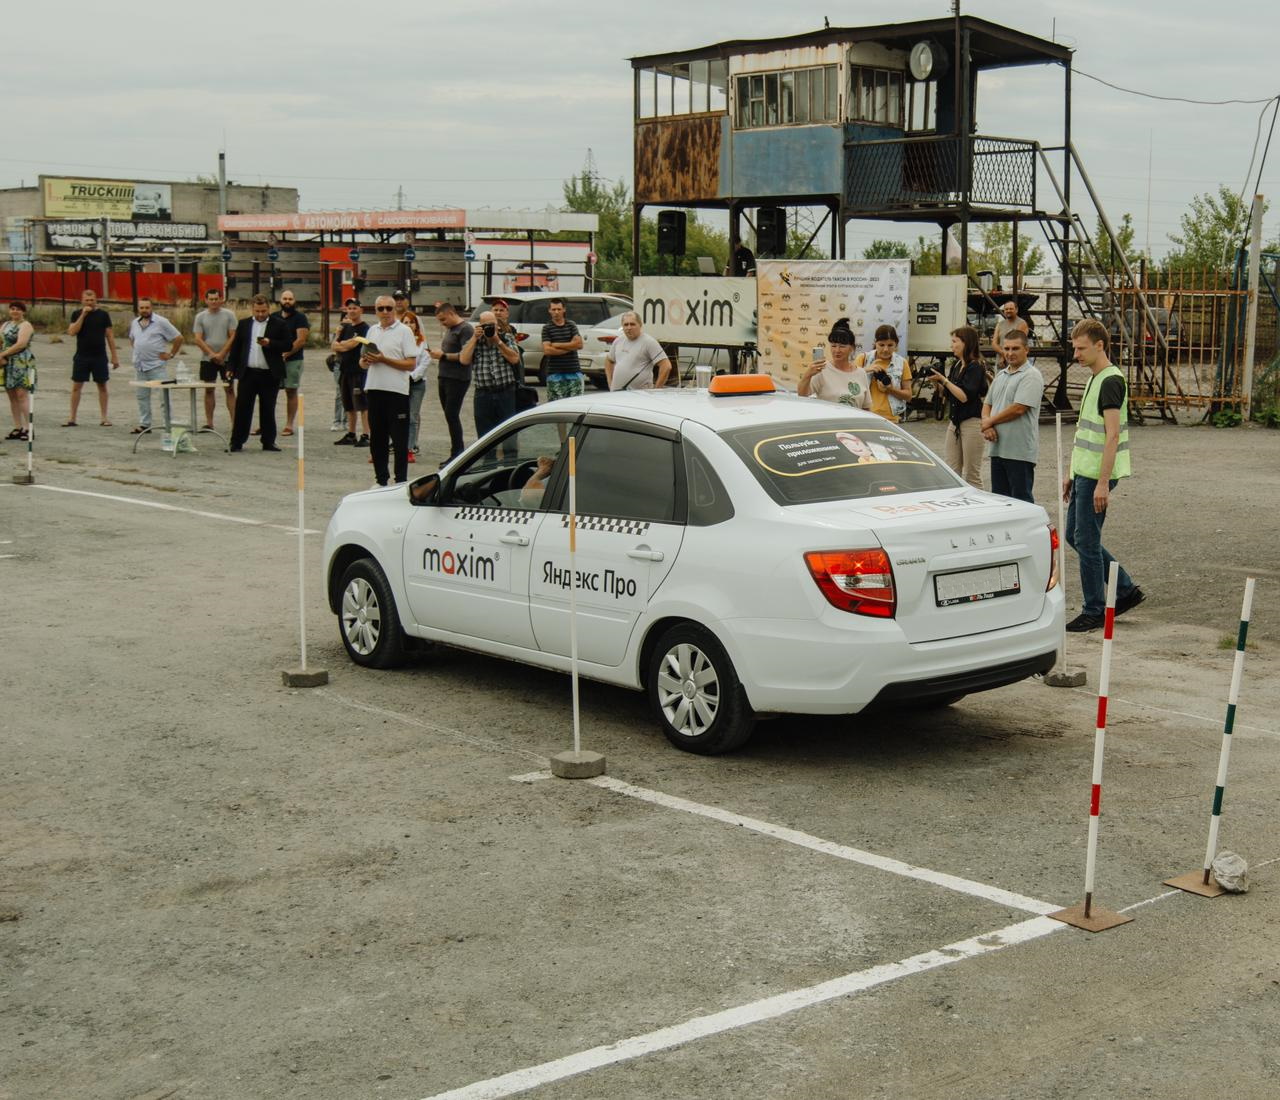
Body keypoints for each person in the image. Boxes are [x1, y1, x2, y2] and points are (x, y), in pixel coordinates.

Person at [1063, 319, 1144, 632]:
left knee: (1087, 539)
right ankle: (1123, 588)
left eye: (1081, 348)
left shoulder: (1110, 380)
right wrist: (1072, 472)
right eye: (1075, 348)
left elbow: (1111, 436)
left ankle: (1095, 608)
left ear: (1100, 345)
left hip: (1098, 474)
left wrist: (1101, 484)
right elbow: (1087, 433)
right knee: (1077, 536)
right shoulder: (1095, 379)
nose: (1076, 354)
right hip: (1085, 471)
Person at [981, 330, 1044, 503]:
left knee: (1021, 501)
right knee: (1000, 501)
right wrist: (987, 425)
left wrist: (988, 422)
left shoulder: (1031, 376)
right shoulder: (1001, 375)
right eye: (1006, 348)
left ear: (1026, 350)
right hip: (998, 450)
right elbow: (987, 403)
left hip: (1019, 452)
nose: (1010, 353)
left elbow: (1018, 408)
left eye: (1015, 348)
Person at [362, 295, 419, 486]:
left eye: (388, 308)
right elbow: (364, 360)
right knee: (377, 438)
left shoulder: (404, 331)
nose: (385, 312)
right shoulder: (372, 330)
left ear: (395, 309)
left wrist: (383, 359)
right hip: (375, 388)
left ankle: (401, 480)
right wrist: (364, 361)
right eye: (381, 309)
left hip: (396, 391)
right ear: (375, 310)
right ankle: (381, 479)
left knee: (399, 439)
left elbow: (411, 364)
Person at [226, 294, 292, 451]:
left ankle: (268, 441)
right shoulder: (244, 324)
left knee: (268, 408)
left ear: (269, 308)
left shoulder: (279, 324)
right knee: (242, 408)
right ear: (252, 309)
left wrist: (271, 343)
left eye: (263, 311)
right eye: (257, 311)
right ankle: (237, 442)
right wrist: (230, 368)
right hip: (248, 373)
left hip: (269, 374)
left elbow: (288, 345)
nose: (261, 314)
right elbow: (236, 348)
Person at [927, 326, 986, 489]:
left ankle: (979, 509)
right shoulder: (956, 365)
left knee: (972, 474)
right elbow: (948, 394)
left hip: (972, 422)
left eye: (954, 342)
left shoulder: (975, 366)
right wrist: (937, 382)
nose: (951, 345)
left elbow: (964, 396)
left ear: (966, 343)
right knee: (952, 471)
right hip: (955, 423)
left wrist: (944, 380)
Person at [462, 308, 522, 440]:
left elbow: (515, 359)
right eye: (486, 325)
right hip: (483, 393)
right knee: (484, 434)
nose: (490, 328)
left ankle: (509, 459)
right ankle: (488, 459)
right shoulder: (476, 341)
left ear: (497, 325)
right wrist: (474, 338)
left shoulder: (506, 337)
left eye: (492, 325)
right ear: (480, 326)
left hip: (505, 391)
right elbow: (464, 360)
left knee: (509, 432)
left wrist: (498, 341)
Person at [64, 288, 119, 427]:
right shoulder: (77, 314)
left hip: (99, 356)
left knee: (102, 385)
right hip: (82, 356)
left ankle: (104, 417)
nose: (89, 302)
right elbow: (71, 332)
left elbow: (110, 336)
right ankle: (72, 417)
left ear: (96, 300)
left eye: (92, 300)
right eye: (87, 300)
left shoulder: (103, 315)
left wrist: (114, 356)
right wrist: (83, 315)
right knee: (77, 386)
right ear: (82, 301)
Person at [127, 299, 183, 434]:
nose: (144, 310)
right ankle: (144, 424)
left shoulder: (161, 322)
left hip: (156, 366)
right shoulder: (134, 323)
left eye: (147, 307)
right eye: (142, 308)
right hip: (140, 366)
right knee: (142, 397)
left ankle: (168, 424)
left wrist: (171, 354)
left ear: (151, 308)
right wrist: (138, 351)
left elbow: (178, 337)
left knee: (163, 397)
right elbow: (132, 339)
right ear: (138, 309)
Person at [427, 301, 474, 458]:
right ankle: (456, 450)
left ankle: (457, 452)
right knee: (449, 415)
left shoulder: (465, 329)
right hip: (444, 376)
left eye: (443, 320)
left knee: (452, 414)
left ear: (452, 313)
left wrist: (444, 355)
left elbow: (466, 355)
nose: (442, 324)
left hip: (458, 377)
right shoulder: (451, 329)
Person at [797, 318, 871, 408]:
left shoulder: (861, 373)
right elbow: (802, 394)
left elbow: (866, 407)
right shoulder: (821, 370)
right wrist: (808, 375)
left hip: (854, 422)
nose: (837, 350)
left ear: (852, 348)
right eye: (833, 346)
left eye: (842, 346)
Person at [192, 287, 237, 429]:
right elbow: (198, 339)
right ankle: (210, 423)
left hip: (227, 358)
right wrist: (211, 354)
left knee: (229, 389)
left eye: (216, 299)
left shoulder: (229, 315)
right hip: (208, 359)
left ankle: (235, 422)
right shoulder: (200, 317)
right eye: (211, 299)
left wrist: (222, 354)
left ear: (221, 299)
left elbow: (233, 336)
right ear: (206, 300)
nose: (214, 302)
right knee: (209, 389)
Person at [330, 298, 370, 448]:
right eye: (349, 308)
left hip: (358, 371)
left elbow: (352, 345)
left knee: (362, 404)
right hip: (345, 370)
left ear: (361, 310)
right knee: (348, 404)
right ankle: (351, 434)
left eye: (355, 308)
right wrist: (342, 343)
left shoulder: (365, 328)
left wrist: (344, 345)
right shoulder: (345, 328)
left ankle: (366, 434)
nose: (352, 311)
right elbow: (334, 346)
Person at [856, 324, 913, 422]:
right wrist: (866, 370)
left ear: (896, 345)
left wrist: (890, 389)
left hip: (892, 419)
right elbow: (848, 383)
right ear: (875, 343)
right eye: (881, 345)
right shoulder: (863, 359)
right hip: (865, 416)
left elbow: (908, 396)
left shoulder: (902, 362)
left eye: (890, 345)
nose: (886, 349)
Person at [606, 311, 672, 391]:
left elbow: (666, 366)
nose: (629, 327)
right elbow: (609, 360)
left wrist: (656, 390)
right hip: (617, 394)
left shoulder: (649, 342)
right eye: (626, 325)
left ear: (640, 325)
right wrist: (610, 382)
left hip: (639, 397)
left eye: (632, 324)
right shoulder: (618, 340)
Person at [274, 289, 309, 436]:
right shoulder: (274, 317)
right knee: (270, 391)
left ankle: (289, 424)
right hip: (276, 360)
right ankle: (267, 423)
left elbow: (301, 340)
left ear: (294, 301)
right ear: (280, 300)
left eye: (290, 299)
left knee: (290, 391)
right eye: (284, 298)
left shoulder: (300, 318)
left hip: (293, 360)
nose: (287, 301)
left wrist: (287, 353)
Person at [1, 301, 36, 440]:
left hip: (21, 361)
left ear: (23, 312)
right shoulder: (6, 325)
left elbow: (21, 344)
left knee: (22, 395)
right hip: (7, 363)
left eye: (18, 309)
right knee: (12, 396)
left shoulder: (25, 325)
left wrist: (2, 354)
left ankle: (29, 428)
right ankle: (17, 427)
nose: (15, 311)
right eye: (12, 309)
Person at [540, 297, 585, 401]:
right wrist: (570, 347)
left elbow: (579, 344)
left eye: (559, 309)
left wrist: (557, 345)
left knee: (576, 404)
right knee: (556, 405)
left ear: (564, 309)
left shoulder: (571, 325)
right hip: (555, 373)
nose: (556, 312)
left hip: (574, 372)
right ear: (549, 310)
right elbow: (547, 350)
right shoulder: (547, 328)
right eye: (554, 309)